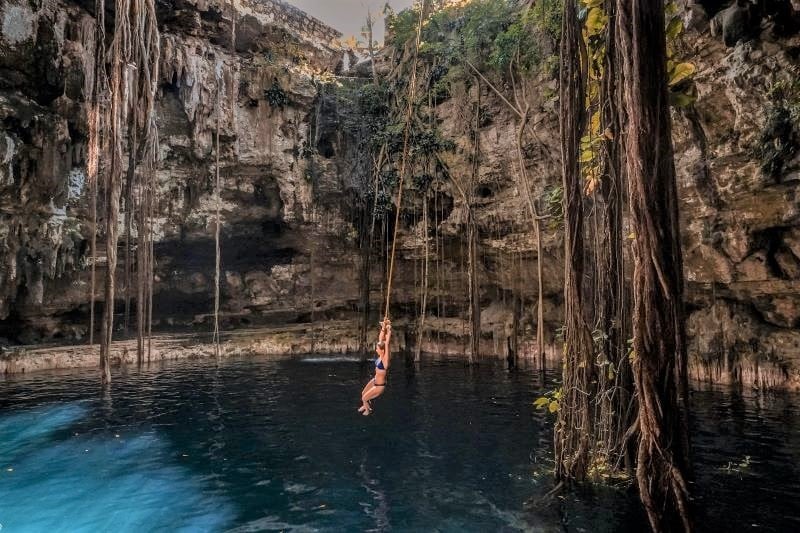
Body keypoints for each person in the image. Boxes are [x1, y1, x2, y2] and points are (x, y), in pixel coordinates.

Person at [358, 319, 391, 416]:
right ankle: (366, 404)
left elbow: (387, 343)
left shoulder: (385, 360)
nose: (376, 350)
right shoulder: (381, 355)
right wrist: (383, 328)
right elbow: (382, 340)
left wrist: (389, 330)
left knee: (364, 398)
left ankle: (368, 410)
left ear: (381, 350)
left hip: (379, 386)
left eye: (377, 349)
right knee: (363, 393)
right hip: (375, 380)